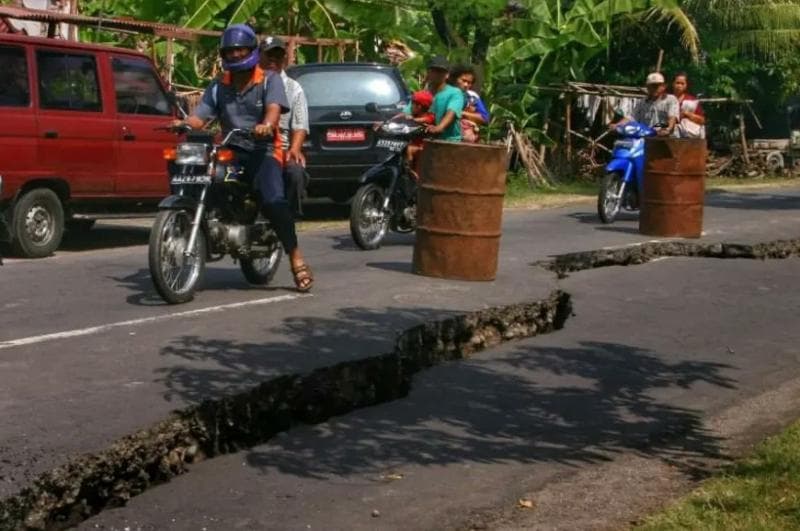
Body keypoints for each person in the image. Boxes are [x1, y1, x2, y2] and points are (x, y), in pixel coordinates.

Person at [174, 24, 313, 292]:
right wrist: (184, 123)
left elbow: (273, 110)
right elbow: (201, 115)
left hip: (263, 150)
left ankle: (295, 256)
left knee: (273, 200)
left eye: (240, 50)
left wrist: (267, 125)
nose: (236, 54)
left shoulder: (270, 80)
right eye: (230, 50)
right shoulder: (219, 84)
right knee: (202, 177)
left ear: (250, 51)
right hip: (230, 149)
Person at [259, 36, 310, 217]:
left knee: (294, 172)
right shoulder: (250, 82)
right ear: (259, 57)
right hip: (250, 145)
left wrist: (294, 149)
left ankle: (286, 218)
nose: (273, 61)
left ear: (284, 60)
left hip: (281, 147)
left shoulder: (293, 88)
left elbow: (300, 124)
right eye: (268, 56)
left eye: (278, 57)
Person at [612, 72, 678, 137]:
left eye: (657, 86)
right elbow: (631, 117)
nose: (654, 88)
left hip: (663, 138)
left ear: (663, 86)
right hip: (645, 135)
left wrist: (668, 129)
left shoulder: (670, 100)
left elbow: (672, 118)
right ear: (647, 87)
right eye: (651, 86)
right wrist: (617, 125)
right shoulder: (642, 102)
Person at [423, 56, 465, 142]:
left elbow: (452, 112)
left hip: (449, 141)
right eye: (434, 70)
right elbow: (409, 110)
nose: (437, 74)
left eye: (440, 71)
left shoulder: (455, 93)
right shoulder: (423, 93)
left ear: (447, 75)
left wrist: (440, 127)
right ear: (428, 72)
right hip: (425, 137)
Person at [449, 64, 490, 143]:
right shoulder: (445, 93)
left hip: (465, 139)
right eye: (463, 80)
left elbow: (485, 118)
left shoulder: (472, 97)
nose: (466, 85)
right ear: (454, 79)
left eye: (469, 82)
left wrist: (463, 113)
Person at [405, 90, 435, 179]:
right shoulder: (413, 115)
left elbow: (426, 120)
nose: (411, 106)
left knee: (409, 149)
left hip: (423, 147)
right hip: (414, 144)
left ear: (419, 106)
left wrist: (413, 120)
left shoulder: (429, 117)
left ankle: (409, 170)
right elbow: (401, 115)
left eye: (412, 104)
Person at [672, 72, 706, 139]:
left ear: (686, 85)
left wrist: (688, 114)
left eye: (682, 83)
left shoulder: (692, 101)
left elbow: (702, 120)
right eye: (677, 83)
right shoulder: (667, 99)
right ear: (673, 83)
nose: (679, 86)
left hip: (690, 136)